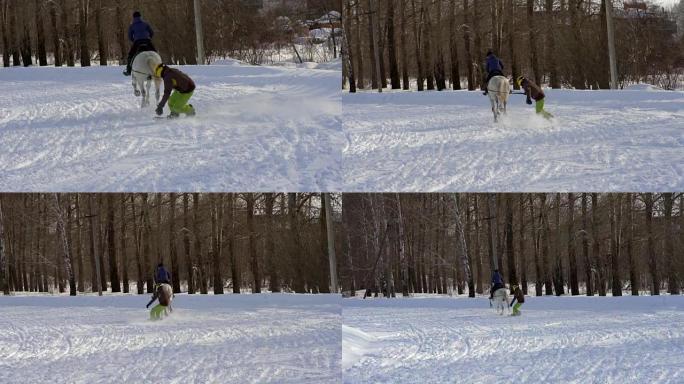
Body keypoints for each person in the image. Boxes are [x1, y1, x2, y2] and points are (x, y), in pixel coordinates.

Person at [123, 11, 156, 76]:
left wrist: (134, 40)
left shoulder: (132, 26)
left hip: (137, 42)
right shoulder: (145, 24)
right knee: (155, 53)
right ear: (140, 17)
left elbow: (130, 36)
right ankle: (159, 68)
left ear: (133, 17)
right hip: (147, 41)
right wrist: (149, 38)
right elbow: (152, 33)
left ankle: (129, 70)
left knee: (130, 55)